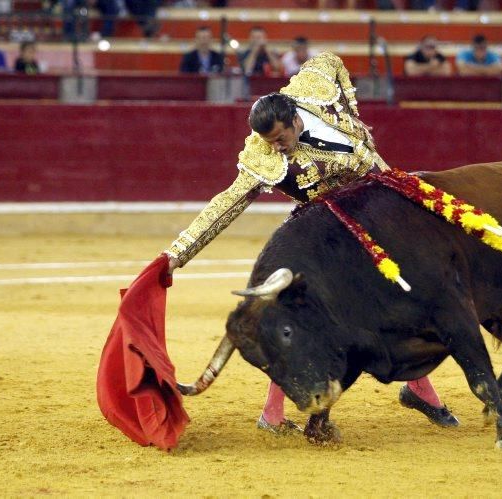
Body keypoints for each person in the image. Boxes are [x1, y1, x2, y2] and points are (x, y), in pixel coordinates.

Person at [163, 52, 459, 434]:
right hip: (327, 237)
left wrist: (351, 109)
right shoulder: (263, 157)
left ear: (295, 119)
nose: (277, 148)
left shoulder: (314, 89)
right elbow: (226, 203)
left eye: (281, 138)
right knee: (318, 318)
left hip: (383, 208)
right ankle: (277, 412)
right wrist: (177, 253)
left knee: (407, 296)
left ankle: (416, 389)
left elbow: (330, 59)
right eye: (269, 142)